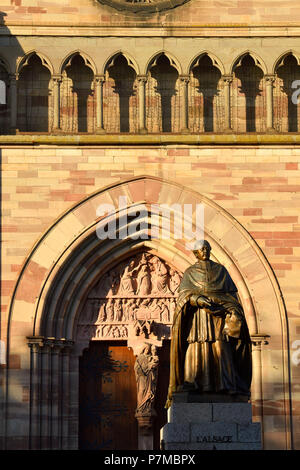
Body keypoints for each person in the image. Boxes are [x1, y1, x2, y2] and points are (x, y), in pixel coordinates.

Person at [166, 240, 252, 408]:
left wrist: (227, 307)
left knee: (221, 348)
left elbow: (233, 298)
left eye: (207, 248)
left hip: (218, 319)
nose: (204, 250)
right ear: (195, 252)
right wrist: (197, 299)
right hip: (197, 319)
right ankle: (195, 382)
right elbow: (183, 298)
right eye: (201, 248)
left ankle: (225, 385)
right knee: (197, 348)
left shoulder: (221, 271)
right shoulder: (190, 273)